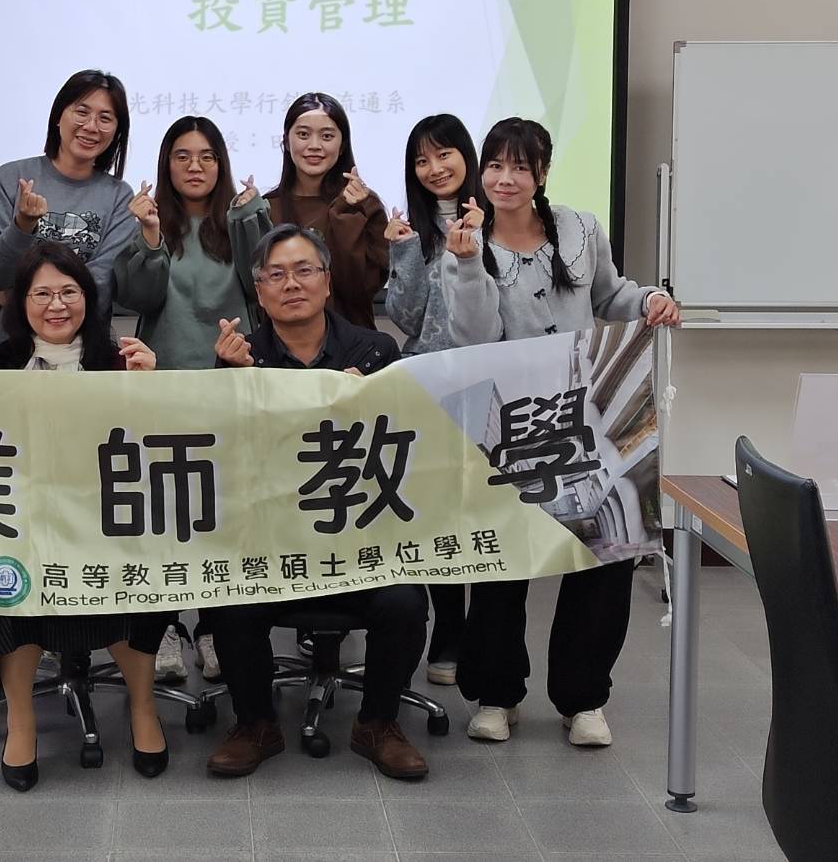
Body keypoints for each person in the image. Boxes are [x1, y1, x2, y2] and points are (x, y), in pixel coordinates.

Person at [441, 117, 680, 747]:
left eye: (520, 167)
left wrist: (649, 301)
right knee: (501, 559)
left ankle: (583, 698)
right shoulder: (465, 241)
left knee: (603, 550)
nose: (505, 179)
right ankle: (497, 694)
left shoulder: (579, 229)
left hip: (587, 414)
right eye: (495, 166)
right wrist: (467, 264)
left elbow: (611, 295)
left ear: (542, 173)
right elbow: (472, 336)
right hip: (506, 422)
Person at [0, 70, 139, 690]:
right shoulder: (12, 177)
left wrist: (30, 288)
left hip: (81, 366)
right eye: (82, 111)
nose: (91, 126)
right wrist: (23, 228)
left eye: (106, 117)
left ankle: (54, 627)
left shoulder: (118, 196)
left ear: (117, 131)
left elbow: (102, 282)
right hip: (3, 359)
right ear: (58, 115)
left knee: (67, 501)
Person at [205, 224, 430, 780]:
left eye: (304, 270)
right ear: (259, 293)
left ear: (327, 282)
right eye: (276, 275)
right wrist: (236, 381)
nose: (292, 284)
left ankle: (377, 722)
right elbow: (224, 460)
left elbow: (407, 450)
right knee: (229, 596)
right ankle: (255, 723)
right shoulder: (242, 355)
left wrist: (364, 402)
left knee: (405, 599)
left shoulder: (375, 351)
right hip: (270, 538)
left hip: (359, 535)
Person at [0, 241, 170, 792]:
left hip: (108, 523)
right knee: (7, 575)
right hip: (22, 524)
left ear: (88, 298)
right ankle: (20, 719)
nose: (56, 305)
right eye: (42, 293)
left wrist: (153, 387)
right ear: (20, 302)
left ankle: (143, 707)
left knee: (138, 574)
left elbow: (161, 444)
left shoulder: (120, 360)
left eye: (69, 292)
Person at [113, 115, 270, 684]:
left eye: (206, 156)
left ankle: (213, 626)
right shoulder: (149, 220)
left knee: (224, 511)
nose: (195, 166)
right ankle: (165, 626)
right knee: (165, 511)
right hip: (164, 385)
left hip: (230, 381)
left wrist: (251, 217)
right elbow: (138, 295)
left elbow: (261, 284)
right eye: (182, 156)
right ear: (167, 164)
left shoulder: (242, 216)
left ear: (221, 163)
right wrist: (151, 236)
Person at [383, 113, 482, 688]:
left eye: (443, 154)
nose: (434, 168)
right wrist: (402, 253)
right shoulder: (414, 229)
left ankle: (477, 634)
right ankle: (447, 627)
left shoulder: (495, 220)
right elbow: (406, 317)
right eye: (421, 160)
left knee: (481, 510)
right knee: (433, 512)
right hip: (429, 385)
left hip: (490, 384)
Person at [263, 93, 387, 329]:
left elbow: (362, 287)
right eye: (303, 134)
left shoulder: (364, 204)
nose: (314, 146)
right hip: (282, 345)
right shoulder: (267, 208)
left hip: (354, 341)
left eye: (327, 136)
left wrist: (346, 214)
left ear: (342, 146)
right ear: (286, 143)